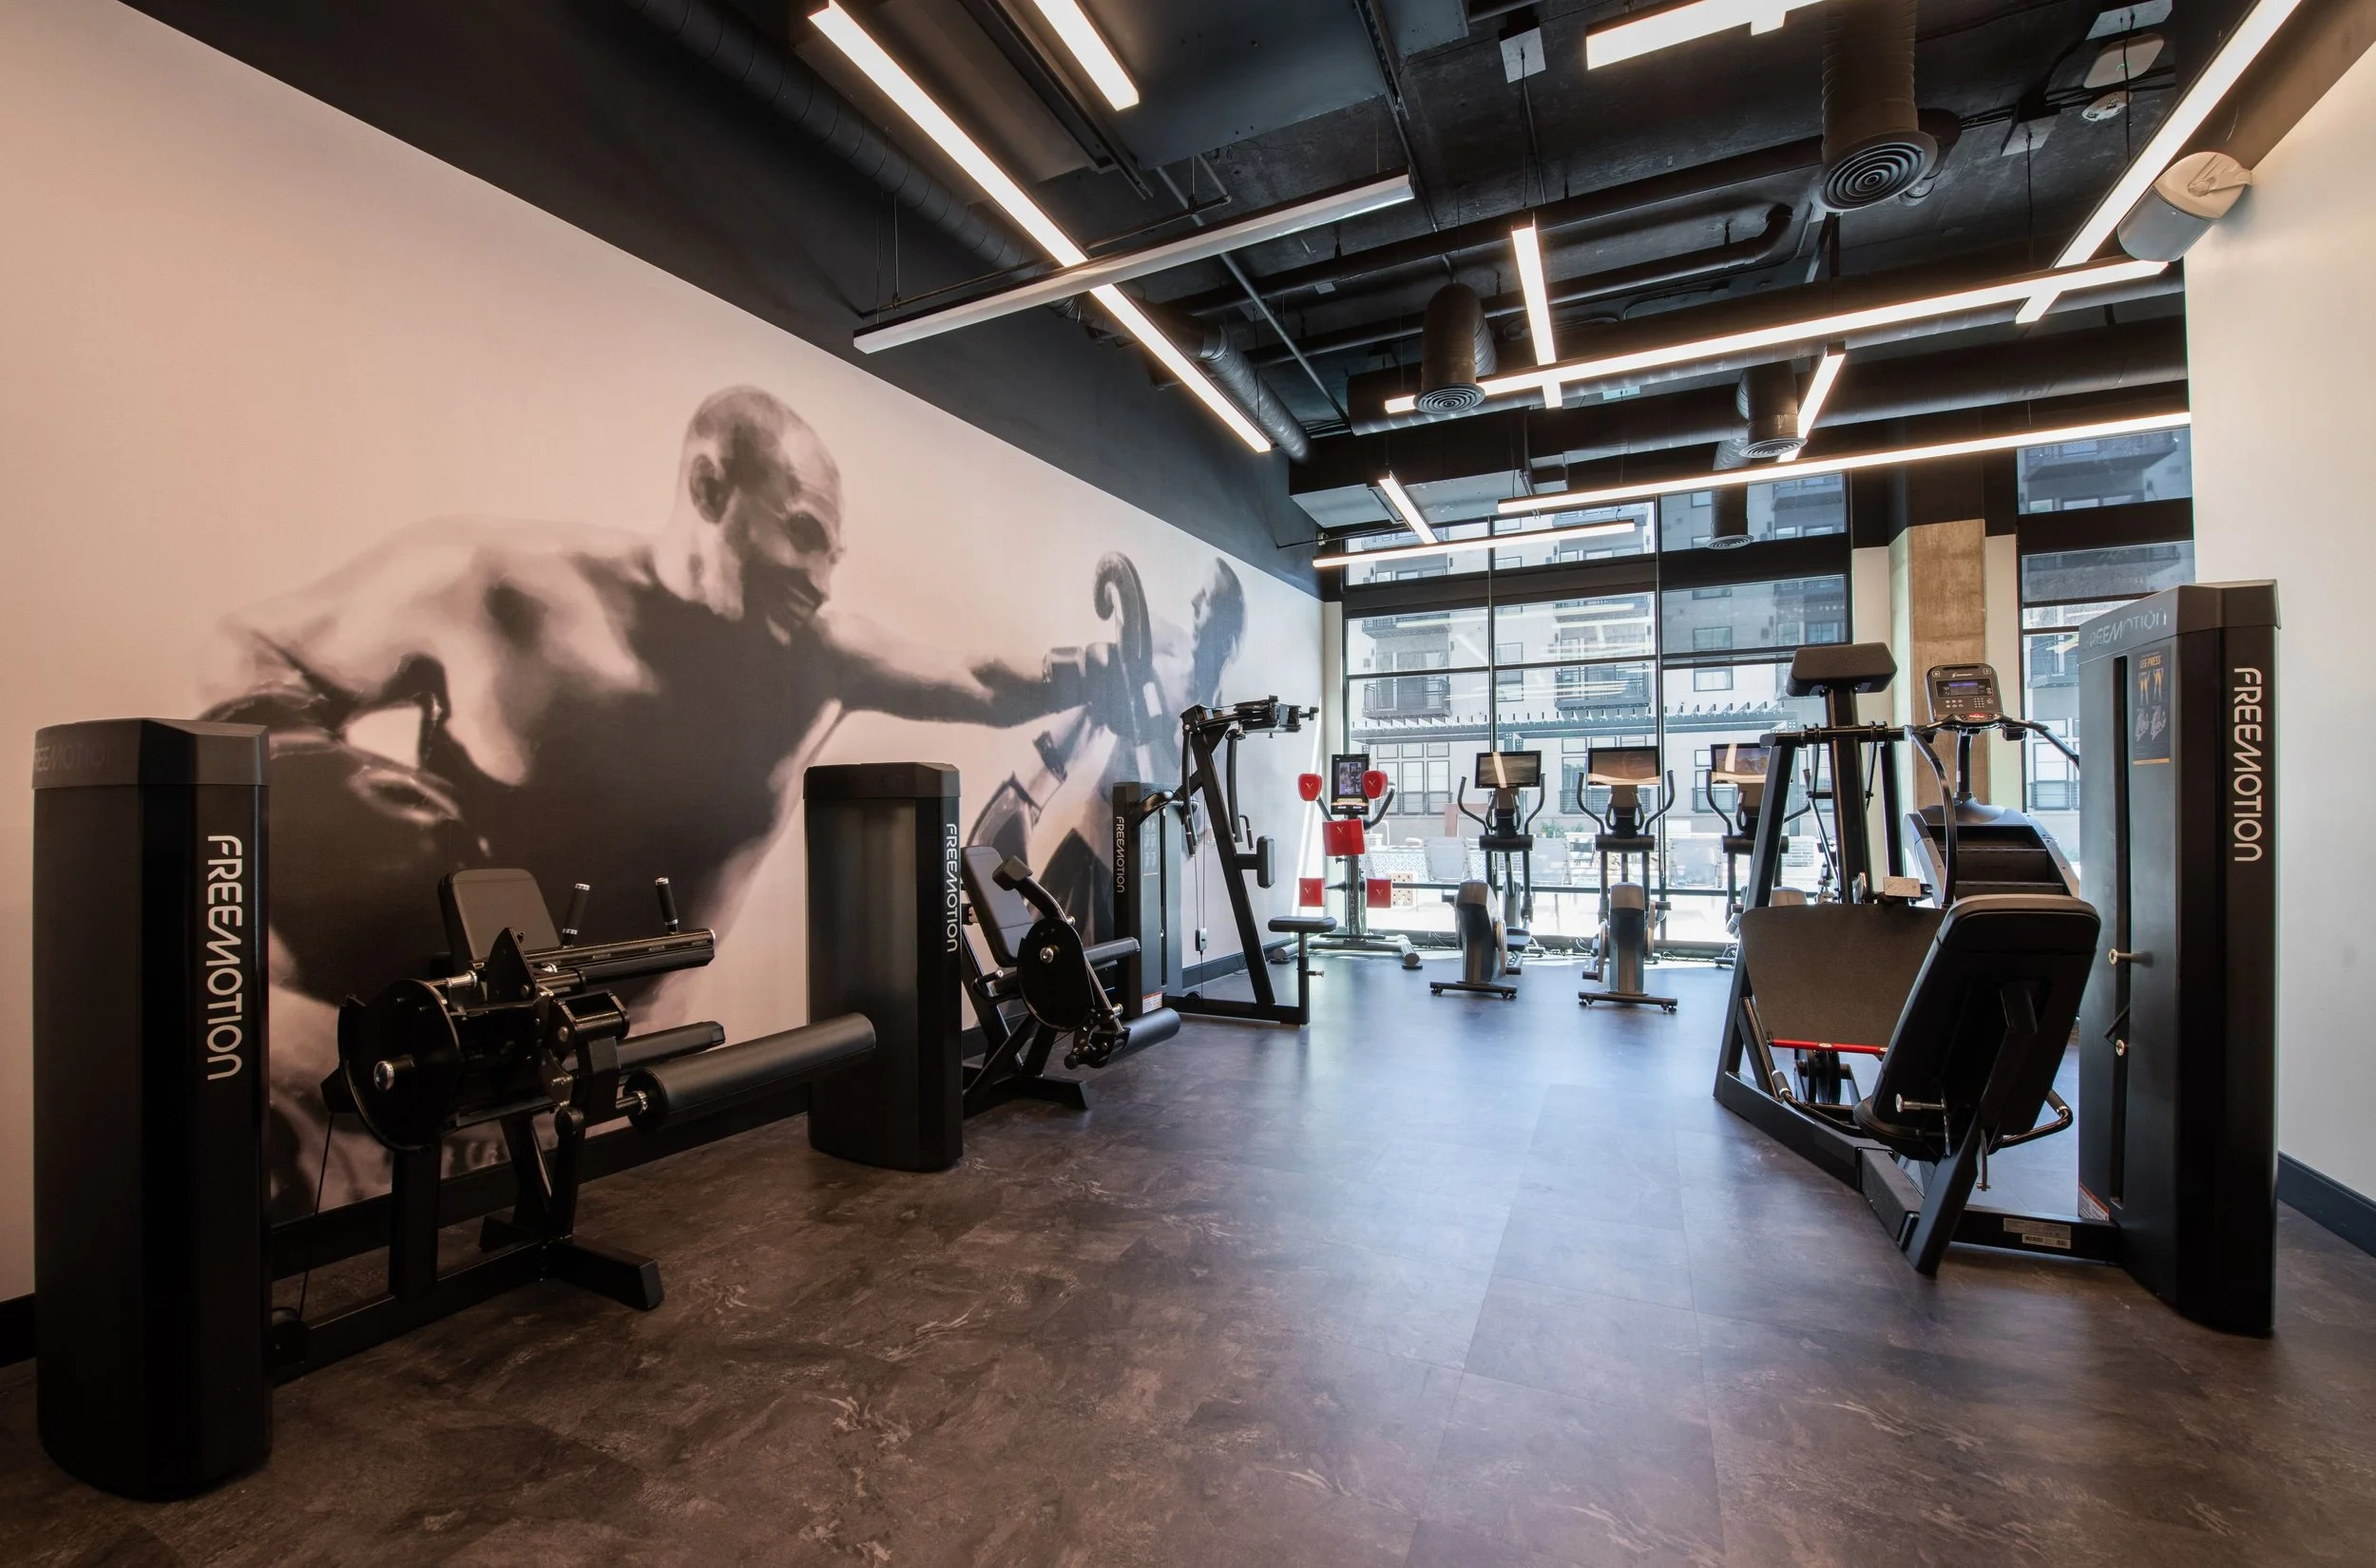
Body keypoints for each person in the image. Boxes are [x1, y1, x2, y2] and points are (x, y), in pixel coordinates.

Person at [202, 385, 1130, 1203]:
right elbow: (256, 650)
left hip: (623, 1059)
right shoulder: (498, 585)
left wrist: (1097, 662)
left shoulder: (818, 654)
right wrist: (313, 778)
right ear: (708, 487)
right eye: (802, 533)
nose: (819, 578)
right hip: (437, 1047)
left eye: (834, 554)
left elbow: (971, 675)